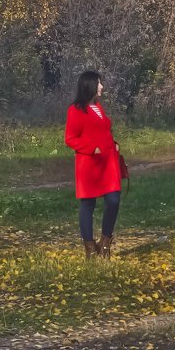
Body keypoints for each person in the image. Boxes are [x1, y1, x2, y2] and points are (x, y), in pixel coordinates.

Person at [65, 70, 123, 258]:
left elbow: (103, 130)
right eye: (98, 83)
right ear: (89, 85)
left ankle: (105, 243)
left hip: (108, 164)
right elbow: (70, 139)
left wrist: (112, 143)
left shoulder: (99, 107)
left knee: (113, 201)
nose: (101, 87)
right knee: (88, 204)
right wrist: (92, 148)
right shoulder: (75, 110)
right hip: (89, 165)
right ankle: (90, 248)